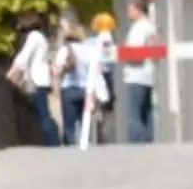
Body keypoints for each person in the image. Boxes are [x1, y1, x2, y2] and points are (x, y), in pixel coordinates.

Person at [8, 10, 59, 146]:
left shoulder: (34, 37)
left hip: (37, 82)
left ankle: (52, 144)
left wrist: (9, 77)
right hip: (41, 81)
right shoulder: (40, 37)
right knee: (43, 114)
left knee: (43, 116)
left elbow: (22, 59)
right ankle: (52, 142)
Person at [73, 14, 117, 148]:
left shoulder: (104, 37)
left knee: (101, 102)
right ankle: (99, 130)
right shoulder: (104, 37)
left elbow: (106, 56)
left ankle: (99, 131)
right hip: (104, 73)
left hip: (102, 73)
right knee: (102, 103)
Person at [121, 0, 159, 144]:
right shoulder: (150, 27)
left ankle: (137, 145)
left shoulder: (139, 28)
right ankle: (148, 142)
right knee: (146, 113)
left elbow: (136, 53)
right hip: (148, 74)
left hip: (136, 74)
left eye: (131, 9)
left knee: (135, 115)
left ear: (138, 9)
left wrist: (123, 56)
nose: (128, 12)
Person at [58, 15, 93, 150]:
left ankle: (71, 149)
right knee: (84, 121)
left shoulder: (65, 49)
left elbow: (57, 69)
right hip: (85, 89)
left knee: (70, 124)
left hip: (69, 88)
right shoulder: (88, 50)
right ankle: (85, 145)